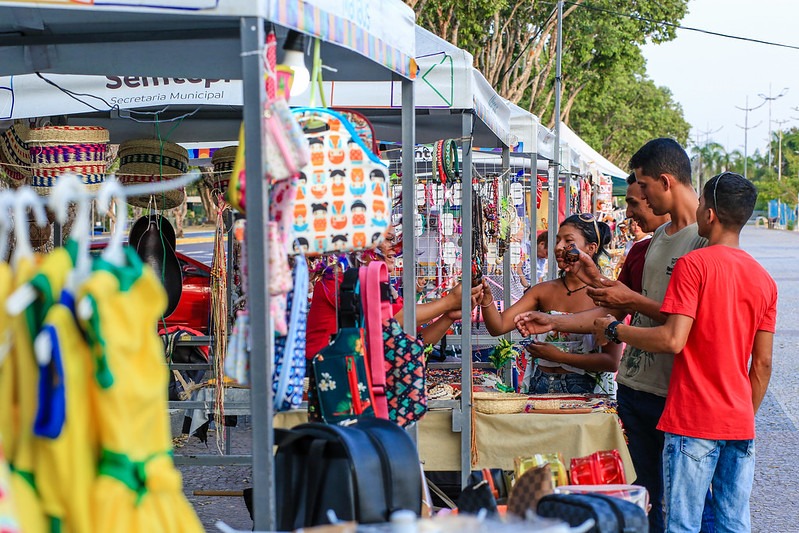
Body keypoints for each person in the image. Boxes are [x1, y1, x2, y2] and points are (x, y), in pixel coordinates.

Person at [513, 138, 712, 533]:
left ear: (665, 181)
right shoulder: (657, 239)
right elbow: (620, 307)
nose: (637, 203)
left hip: (676, 394)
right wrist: (563, 313)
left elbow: (691, 323)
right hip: (636, 388)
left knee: (685, 508)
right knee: (645, 497)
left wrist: (624, 305)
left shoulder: (704, 241)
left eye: (641, 190)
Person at [594, 172, 776, 532]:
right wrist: (742, 416)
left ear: (709, 214)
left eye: (703, 205)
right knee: (733, 522)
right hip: (739, 423)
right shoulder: (763, 279)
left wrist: (615, 329)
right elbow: (764, 363)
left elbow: (673, 339)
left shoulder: (694, 266)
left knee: (681, 523)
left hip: (693, 420)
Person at [479, 214, 622, 394]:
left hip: (586, 390)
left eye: (568, 241)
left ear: (591, 248)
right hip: (540, 385)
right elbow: (498, 327)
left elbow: (611, 362)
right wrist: (486, 300)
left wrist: (561, 357)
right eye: (557, 240)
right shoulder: (543, 291)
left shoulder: (606, 295)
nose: (559, 247)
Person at [305, 225, 480, 359]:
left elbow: (417, 339)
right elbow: (390, 320)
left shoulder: (383, 287)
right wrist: (448, 302)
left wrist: (449, 316)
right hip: (329, 383)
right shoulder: (340, 278)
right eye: (388, 239)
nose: (395, 248)